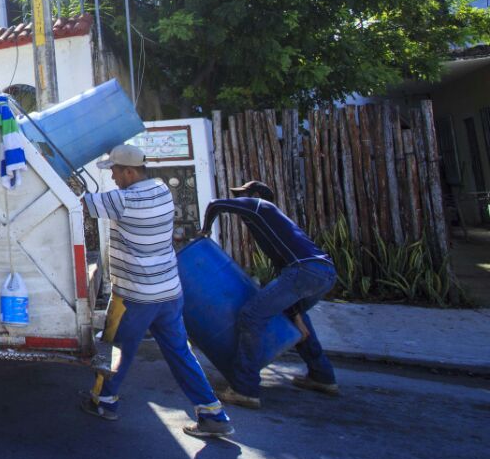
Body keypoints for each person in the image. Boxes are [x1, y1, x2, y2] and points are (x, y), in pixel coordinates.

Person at [79, 144, 234, 439]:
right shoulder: (162, 190)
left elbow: (80, 203)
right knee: (180, 353)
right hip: (169, 293)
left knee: (114, 351)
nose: (112, 177)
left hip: (134, 297)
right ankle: (212, 413)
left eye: (114, 171)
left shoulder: (124, 200)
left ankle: (103, 401)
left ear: (129, 171)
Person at [199, 180, 339, 409]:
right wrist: (295, 314)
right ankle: (322, 376)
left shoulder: (260, 206)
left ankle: (245, 389)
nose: (239, 200)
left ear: (255, 195)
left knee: (251, 316)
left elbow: (215, 204)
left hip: (303, 270)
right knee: (297, 319)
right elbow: (286, 275)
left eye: (242, 195)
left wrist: (205, 231)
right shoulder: (274, 223)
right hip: (323, 273)